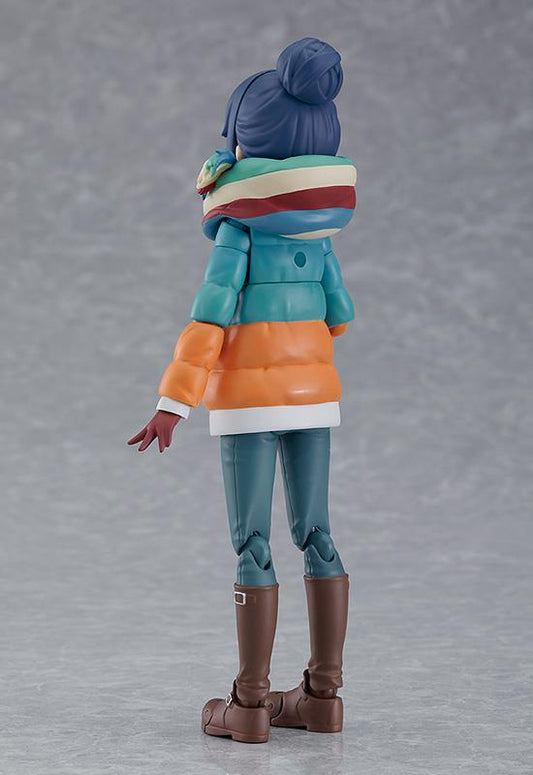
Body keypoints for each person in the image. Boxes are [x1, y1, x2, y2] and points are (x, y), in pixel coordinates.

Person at [129, 37, 357, 744]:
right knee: (318, 534)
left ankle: (250, 703)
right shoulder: (318, 232)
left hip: (248, 404)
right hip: (312, 394)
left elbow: (210, 317)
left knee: (253, 543)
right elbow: (340, 314)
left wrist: (173, 401)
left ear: (244, 141)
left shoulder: (239, 229)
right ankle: (322, 695)